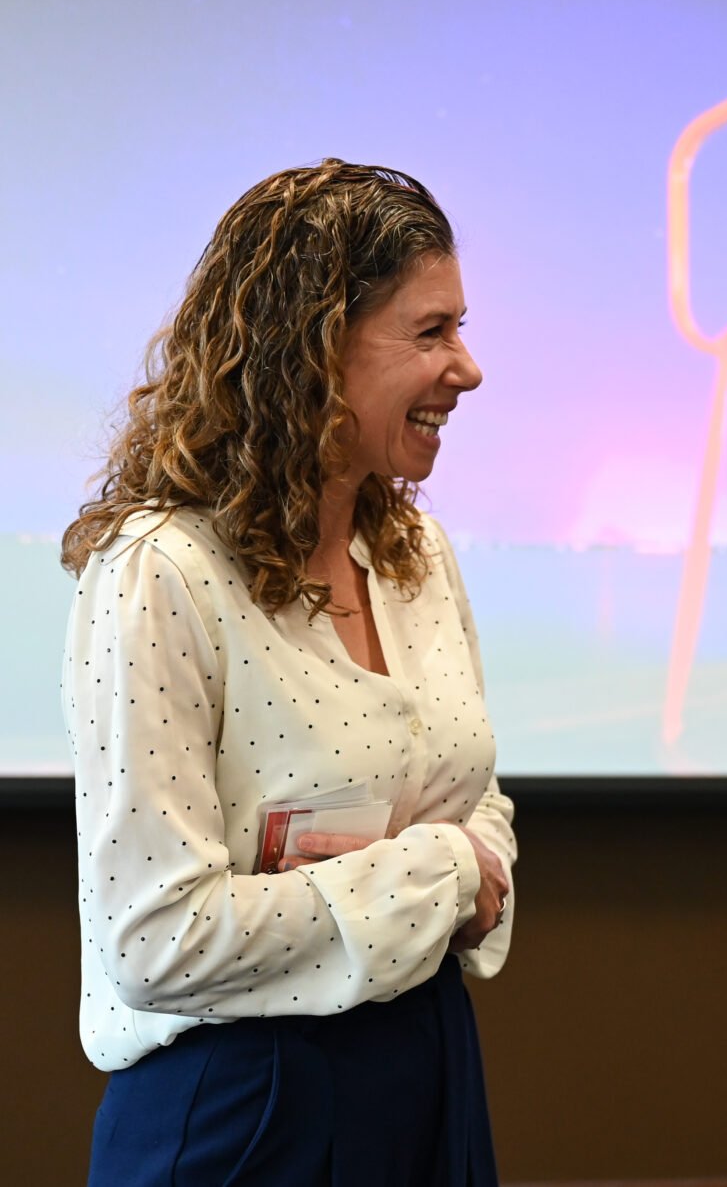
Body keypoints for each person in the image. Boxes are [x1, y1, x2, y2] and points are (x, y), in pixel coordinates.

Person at [61, 159, 514, 1186]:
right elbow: (158, 940)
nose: (469, 367)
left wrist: (456, 858)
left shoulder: (415, 554)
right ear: (314, 343)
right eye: (431, 330)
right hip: (241, 1108)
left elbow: (479, 806)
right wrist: (437, 873)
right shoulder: (160, 572)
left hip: (430, 1068)